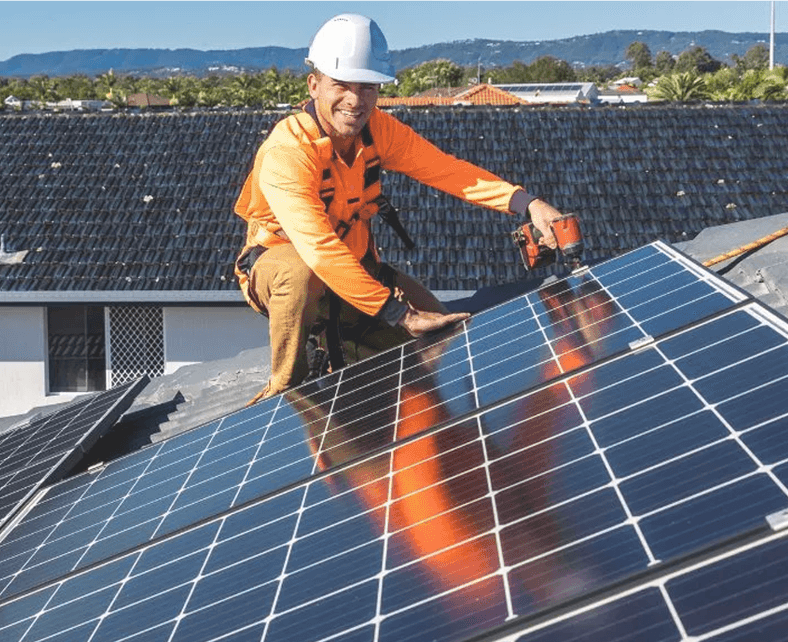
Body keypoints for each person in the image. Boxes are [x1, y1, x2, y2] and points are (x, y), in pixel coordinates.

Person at [234, 12, 569, 403]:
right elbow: (320, 251)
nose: (355, 101)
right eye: (341, 85)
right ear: (314, 85)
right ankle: (286, 394)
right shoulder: (288, 152)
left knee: (441, 333)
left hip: (356, 268)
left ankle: (352, 344)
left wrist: (528, 204)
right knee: (300, 272)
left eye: (368, 87)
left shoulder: (378, 130)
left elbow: (447, 171)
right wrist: (398, 314)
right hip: (288, 274)